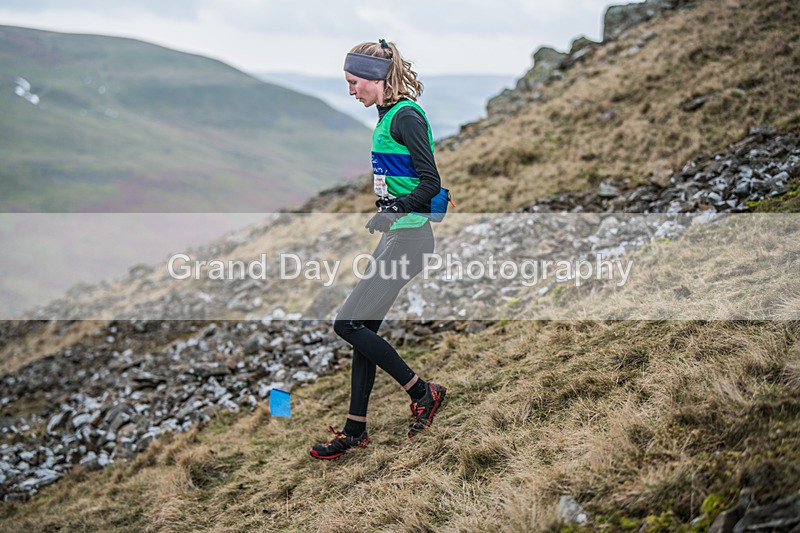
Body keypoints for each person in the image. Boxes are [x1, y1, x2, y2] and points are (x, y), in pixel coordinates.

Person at [309, 39, 447, 460]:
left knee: (346, 324)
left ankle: (424, 393)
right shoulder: (387, 114)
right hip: (397, 235)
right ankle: (355, 429)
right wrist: (389, 211)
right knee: (362, 330)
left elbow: (431, 182)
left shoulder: (405, 116)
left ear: (376, 77)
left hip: (409, 238)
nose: (351, 91)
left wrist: (395, 210)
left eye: (354, 83)